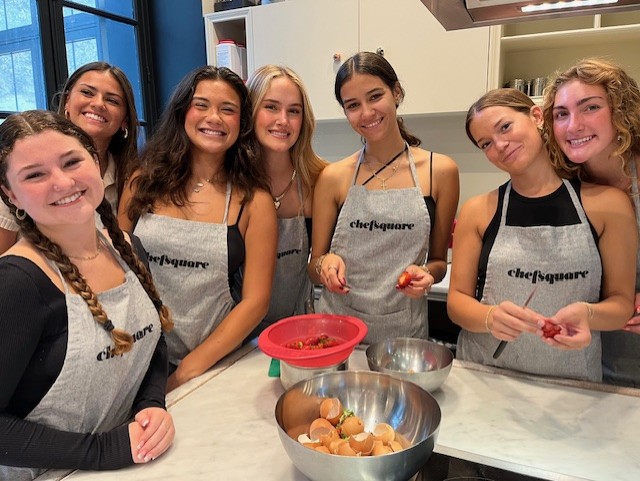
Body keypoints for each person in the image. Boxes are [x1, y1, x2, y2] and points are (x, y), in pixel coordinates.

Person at [0, 110, 174, 479]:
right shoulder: (17, 283)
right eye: (35, 175)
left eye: (71, 162)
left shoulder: (127, 248)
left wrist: (151, 403)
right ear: (10, 193)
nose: (62, 182)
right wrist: (104, 450)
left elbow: (152, 342)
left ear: (95, 162)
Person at [447, 88, 636, 382]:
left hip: (572, 383)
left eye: (505, 127)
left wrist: (588, 315)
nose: (500, 145)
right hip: (486, 376)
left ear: (536, 116)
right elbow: (457, 301)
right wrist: (489, 317)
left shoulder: (607, 204)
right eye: (486, 143)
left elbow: (621, 304)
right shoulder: (477, 211)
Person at [118, 66, 277, 392]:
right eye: (201, 105)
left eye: (228, 109)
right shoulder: (142, 180)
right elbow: (116, 263)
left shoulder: (254, 201)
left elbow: (256, 302)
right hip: (136, 361)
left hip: (213, 366)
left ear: (242, 123)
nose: (214, 118)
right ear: (182, 112)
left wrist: (186, 372)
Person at [308, 51, 459, 344]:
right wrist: (325, 264)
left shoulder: (440, 171)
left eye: (375, 96)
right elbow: (314, 267)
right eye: (353, 105)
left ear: (396, 93)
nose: (366, 113)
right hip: (337, 334)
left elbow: (439, 262)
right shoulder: (333, 177)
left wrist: (426, 274)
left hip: (404, 337)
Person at [543, 57, 640, 387]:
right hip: (589, 357)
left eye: (591, 108)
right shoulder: (562, 184)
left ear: (621, 111)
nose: (574, 126)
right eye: (561, 114)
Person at [0, 61, 140, 254]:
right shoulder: (21, 170)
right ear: (67, 101)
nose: (98, 104)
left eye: (112, 101)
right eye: (87, 92)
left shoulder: (130, 177)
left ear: (125, 119)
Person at [246, 65, 327, 335]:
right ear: (250, 111)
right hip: (238, 336)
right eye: (271, 107)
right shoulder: (231, 183)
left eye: (294, 111)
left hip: (298, 330)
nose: (283, 120)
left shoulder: (319, 180)